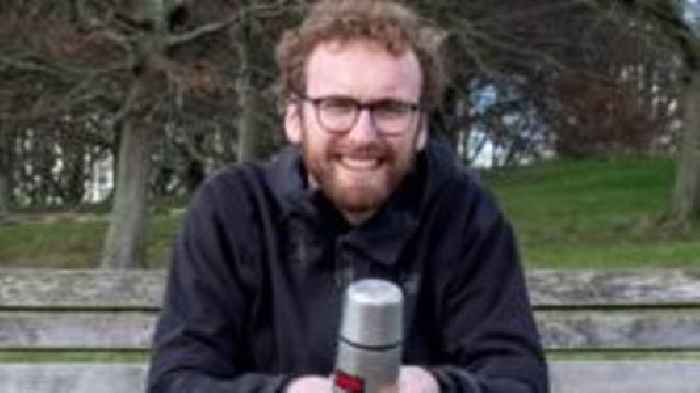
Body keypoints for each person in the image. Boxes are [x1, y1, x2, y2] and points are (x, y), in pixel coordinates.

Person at [147, 1, 549, 392]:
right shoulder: (232, 209)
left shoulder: (464, 215)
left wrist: (438, 387)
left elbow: (517, 377)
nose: (362, 136)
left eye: (390, 108)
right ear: (294, 119)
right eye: (337, 106)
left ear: (421, 125)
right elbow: (177, 378)